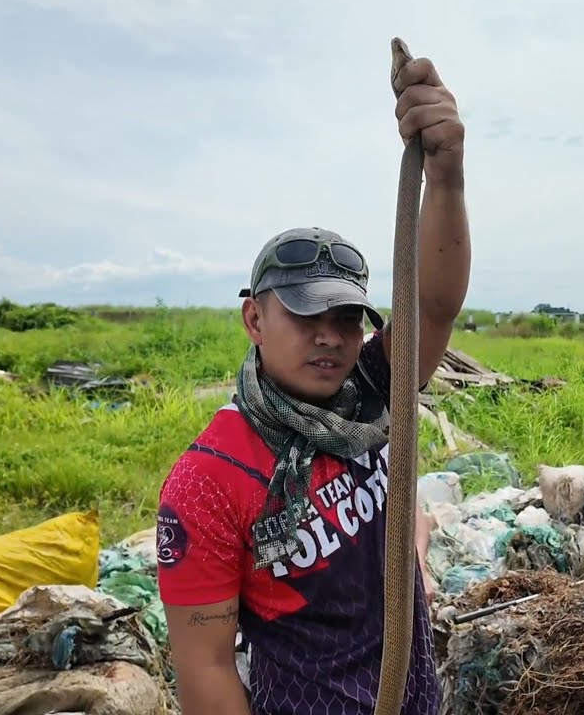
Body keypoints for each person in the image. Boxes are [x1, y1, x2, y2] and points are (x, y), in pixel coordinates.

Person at [155, 51, 470, 715]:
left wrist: (445, 172)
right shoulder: (208, 479)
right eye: (304, 316)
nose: (329, 336)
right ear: (255, 319)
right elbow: (205, 668)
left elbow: (435, 305)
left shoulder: (375, 391)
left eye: (345, 318)